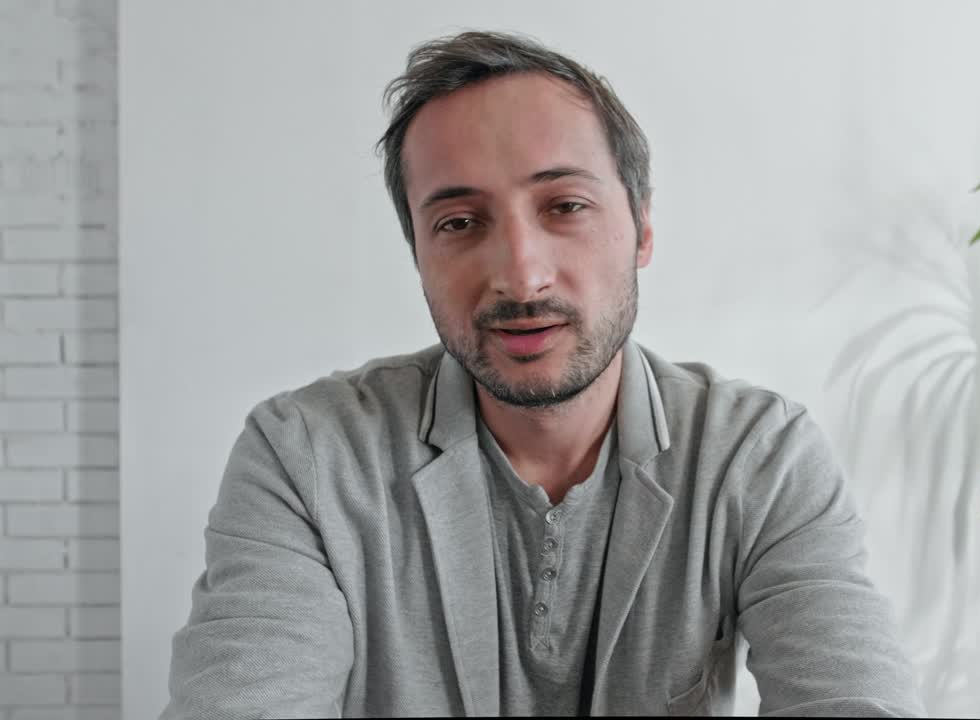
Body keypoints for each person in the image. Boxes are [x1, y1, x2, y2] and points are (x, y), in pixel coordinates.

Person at [161, 30, 924, 718]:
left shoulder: (756, 455)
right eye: (459, 223)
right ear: (419, 253)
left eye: (564, 205)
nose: (521, 277)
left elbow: (853, 698)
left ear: (643, 228)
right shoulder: (308, 456)